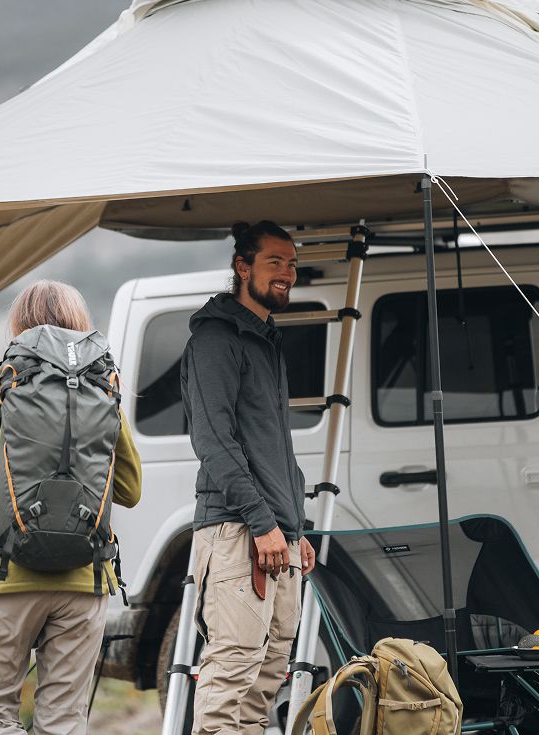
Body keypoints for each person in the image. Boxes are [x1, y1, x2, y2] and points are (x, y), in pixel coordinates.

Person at [0, 279, 141, 735]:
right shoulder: (105, 390)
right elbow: (129, 490)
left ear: (18, 325)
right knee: (64, 722)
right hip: (84, 582)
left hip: (5, 576)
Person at [181, 220, 317, 735]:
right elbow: (214, 441)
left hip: (276, 535)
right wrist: (264, 524)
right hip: (238, 530)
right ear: (242, 266)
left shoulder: (265, 339)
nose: (287, 274)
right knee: (230, 680)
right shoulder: (217, 339)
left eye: (292, 264)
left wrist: (297, 529)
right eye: (275, 262)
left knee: (264, 685)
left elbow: (277, 446)